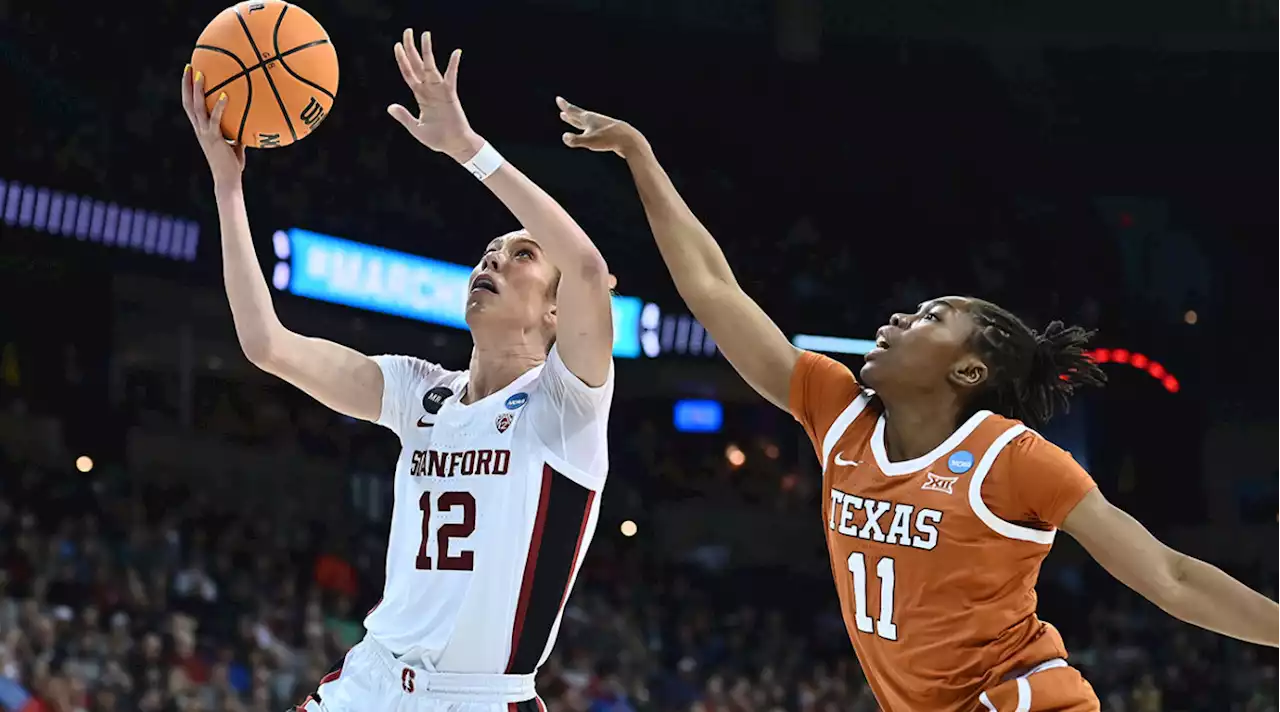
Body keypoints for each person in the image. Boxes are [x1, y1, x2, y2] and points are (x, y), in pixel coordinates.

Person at [555, 100, 1280, 711]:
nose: (900, 318)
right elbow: (714, 291)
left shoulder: (1014, 460)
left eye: (931, 316)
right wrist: (640, 157)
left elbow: (1169, 576)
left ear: (967, 368)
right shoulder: (836, 409)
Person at [182, 29, 617, 712]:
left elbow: (589, 267)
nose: (492, 262)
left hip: (478, 698)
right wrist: (228, 184)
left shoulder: (568, 406)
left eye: (521, 256)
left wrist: (467, 149)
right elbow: (267, 344)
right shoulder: (421, 391)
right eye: (487, 252)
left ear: (557, 313)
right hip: (372, 681)